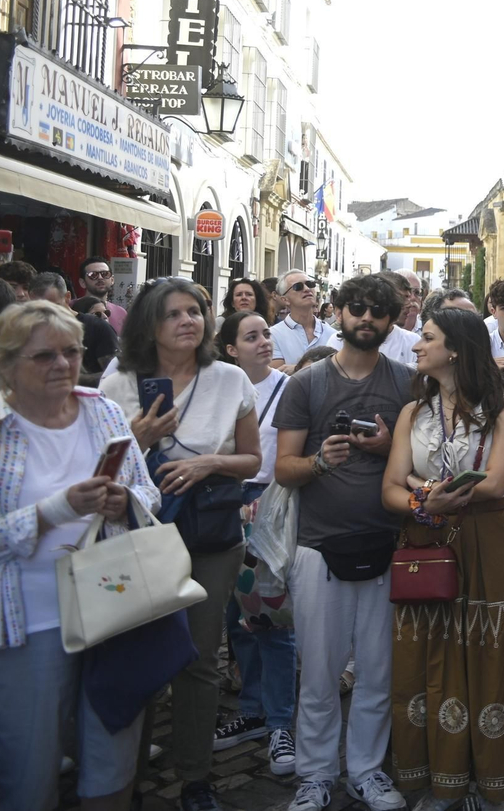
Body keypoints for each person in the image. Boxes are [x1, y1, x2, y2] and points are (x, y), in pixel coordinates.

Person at [0, 301, 157, 811]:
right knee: (26, 766)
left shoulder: (101, 410)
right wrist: (55, 510)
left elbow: (148, 493)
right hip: (25, 624)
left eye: (71, 351)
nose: (62, 364)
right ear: (6, 363)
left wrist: (126, 502)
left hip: (111, 607)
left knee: (112, 755)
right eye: (44, 356)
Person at [100, 279, 262, 811]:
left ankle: (195, 775)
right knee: (140, 650)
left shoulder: (230, 378)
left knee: (198, 656)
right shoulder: (121, 380)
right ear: (150, 324)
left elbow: (251, 461)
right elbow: (97, 466)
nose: (189, 320)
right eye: (174, 314)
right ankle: (126, 771)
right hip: (140, 533)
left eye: (195, 311)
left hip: (211, 534)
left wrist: (207, 462)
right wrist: (141, 439)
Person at [382, 310, 504, 809]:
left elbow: (497, 482)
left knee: (490, 656)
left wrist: (422, 488)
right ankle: (445, 780)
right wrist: (420, 500)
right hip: (428, 543)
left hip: (488, 542)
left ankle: (495, 779)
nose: (416, 347)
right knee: (432, 658)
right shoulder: (413, 412)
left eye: (427, 338)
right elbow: (388, 486)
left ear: (454, 349)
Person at [273, 274, 416, 811]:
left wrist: (385, 448)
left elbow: (422, 465)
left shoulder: (406, 383)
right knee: (320, 673)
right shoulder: (306, 384)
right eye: (356, 309)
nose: (366, 319)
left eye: (377, 311)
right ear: (338, 312)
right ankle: (314, 774)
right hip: (317, 547)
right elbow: (284, 469)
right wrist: (318, 461)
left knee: (379, 671)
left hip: (388, 545)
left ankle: (366, 771)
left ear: (391, 318)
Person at [212, 310, 298, 776]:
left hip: (269, 506)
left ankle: (281, 720)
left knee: (270, 617)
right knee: (236, 619)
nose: (265, 341)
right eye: (252, 336)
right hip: (225, 504)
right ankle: (252, 708)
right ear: (230, 349)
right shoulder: (218, 390)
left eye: (267, 333)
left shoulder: (289, 389)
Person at [270, 271, 335, 372]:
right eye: (298, 287)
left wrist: (296, 368)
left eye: (310, 284)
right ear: (285, 300)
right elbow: (278, 375)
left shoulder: (332, 334)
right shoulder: (273, 335)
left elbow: (340, 371)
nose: (307, 289)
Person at [79, 255, 127, 332]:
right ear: (82, 282)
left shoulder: (121, 313)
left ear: (112, 280)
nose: (100, 278)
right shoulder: (71, 308)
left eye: (105, 274)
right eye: (93, 275)